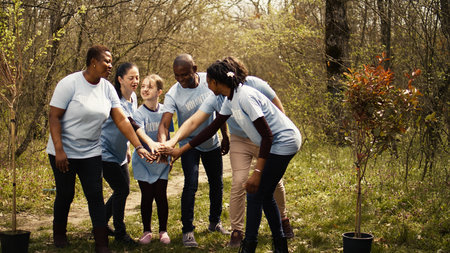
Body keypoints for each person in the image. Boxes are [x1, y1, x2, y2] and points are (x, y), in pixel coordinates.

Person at [161, 60, 302, 253]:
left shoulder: (244, 96)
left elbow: (268, 136)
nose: (207, 86)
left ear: (218, 82)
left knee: (255, 192)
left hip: (283, 142)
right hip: (273, 143)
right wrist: (180, 150)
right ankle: (279, 245)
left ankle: (249, 246)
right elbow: (209, 129)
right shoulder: (229, 99)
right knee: (264, 194)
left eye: (209, 81)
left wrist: (258, 172)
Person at [46, 45, 154, 253]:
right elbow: (54, 116)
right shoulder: (70, 84)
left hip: (91, 151)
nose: (110, 65)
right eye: (106, 61)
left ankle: (101, 244)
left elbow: (122, 120)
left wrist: (138, 146)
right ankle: (59, 233)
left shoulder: (106, 88)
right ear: (93, 62)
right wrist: (59, 149)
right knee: (66, 194)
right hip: (64, 151)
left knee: (95, 195)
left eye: (111, 61)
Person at [157, 54, 229, 247]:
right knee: (191, 184)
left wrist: (225, 136)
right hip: (188, 144)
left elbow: (222, 111)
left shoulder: (210, 81)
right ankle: (187, 231)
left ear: (195, 69)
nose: (180, 79)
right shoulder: (173, 93)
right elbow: (165, 123)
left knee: (217, 183)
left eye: (184, 75)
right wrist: (164, 144)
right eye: (176, 75)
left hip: (211, 142)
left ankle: (215, 222)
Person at [100, 62, 159, 244]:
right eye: (130, 78)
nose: (135, 81)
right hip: (104, 151)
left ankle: (99, 224)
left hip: (119, 153)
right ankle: (120, 233)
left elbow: (128, 128)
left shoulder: (133, 97)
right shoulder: (113, 100)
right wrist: (142, 145)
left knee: (121, 190)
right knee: (122, 189)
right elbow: (130, 124)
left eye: (137, 78)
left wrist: (127, 147)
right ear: (120, 79)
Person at [132, 74, 173, 245]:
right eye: (142, 86)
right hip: (144, 163)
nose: (145, 89)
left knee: (161, 196)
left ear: (159, 92)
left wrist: (168, 156)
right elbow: (138, 136)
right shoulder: (137, 113)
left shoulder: (166, 111)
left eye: (150, 87)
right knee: (147, 196)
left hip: (161, 163)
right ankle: (146, 231)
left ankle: (163, 230)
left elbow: (168, 133)